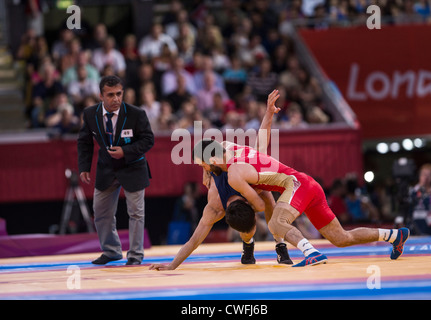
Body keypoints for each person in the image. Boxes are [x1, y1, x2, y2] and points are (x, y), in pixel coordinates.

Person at [190, 139, 410, 267]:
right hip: (307, 185)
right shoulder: (230, 148)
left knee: (277, 223)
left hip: (296, 184)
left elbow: (259, 205)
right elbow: (218, 148)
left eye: (202, 165)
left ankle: (311, 253)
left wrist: (246, 197)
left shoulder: (235, 174)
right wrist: (207, 170)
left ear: (212, 161)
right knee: (342, 238)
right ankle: (393, 235)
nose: (204, 169)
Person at [149, 90, 294, 271]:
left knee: (266, 194)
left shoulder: (242, 169)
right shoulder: (215, 204)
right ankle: (248, 243)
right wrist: (171, 265)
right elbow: (194, 240)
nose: (202, 169)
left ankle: (279, 244)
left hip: (238, 168)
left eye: (203, 166)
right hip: (227, 171)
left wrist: (269, 113)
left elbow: (260, 144)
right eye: (202, 166)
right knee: (249, 224)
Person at [77, 75, 154, 265]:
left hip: (133, 166)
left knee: (136, 213)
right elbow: (84, 142)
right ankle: (111, 251)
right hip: (106, 168)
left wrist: (125, 151)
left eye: (119, 94)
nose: (116, 99)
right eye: (110, 95)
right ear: (101, 96)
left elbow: (148, 140)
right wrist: (84, 167)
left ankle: (135, 255)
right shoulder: (90, 114)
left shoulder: (136, 114)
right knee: (101, 212)